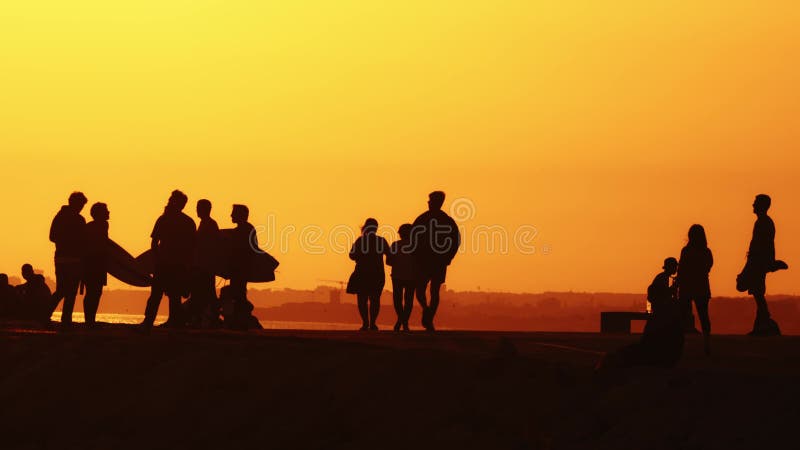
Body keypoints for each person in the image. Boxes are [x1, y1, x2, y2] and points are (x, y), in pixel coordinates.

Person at [597, 258, 684, 370]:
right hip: (660, 311)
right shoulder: (662, 279)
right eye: (674, 266)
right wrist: (673, 288)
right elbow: (664, 295)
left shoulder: (663, 278)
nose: (675, 268)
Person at [142, 190, 196, 329]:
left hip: (172, 265)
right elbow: (155, 243)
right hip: (169, 264)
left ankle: (156, 322)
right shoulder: (185, 221)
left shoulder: (167, 219)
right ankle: (154, 322)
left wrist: (157, 260)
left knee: (166, 296)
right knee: (169, 296)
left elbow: (155, 243)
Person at [738, 194, 788, 336]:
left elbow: (761, 246)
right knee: (757, 292)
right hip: (759, 262)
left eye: (755, 203)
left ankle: (764, 323)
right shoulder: (764, 222)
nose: (753, 205)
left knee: (757, 293)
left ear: (761, 205)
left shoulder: (763, 223)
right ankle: (761, 324)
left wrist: (759, 263)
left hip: (757, 262)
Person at [411, 191, 460, 331]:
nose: (428, 202)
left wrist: (448, 257)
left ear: (437, 202)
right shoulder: (425, 219)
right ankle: (427, 311)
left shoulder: (443, 221)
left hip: (435, 262)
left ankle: (429, 316)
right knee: (422, 290)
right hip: (426, 261)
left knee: (433, 290)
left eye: (430, 200)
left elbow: (455, 241)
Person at [48, 191, 88, 326]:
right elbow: (83, 241)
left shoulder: (59, 217)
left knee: (63, 290)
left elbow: (52, 236)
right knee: (68, 291)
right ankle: (63, 319)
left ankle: (52, 316)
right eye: (81, 204)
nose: (82, 207)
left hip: (62, 259)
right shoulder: (78, 220)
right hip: (72, 260)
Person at [677, 224, 713, 354]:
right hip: (702, 286)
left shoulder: (686, 251)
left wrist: (677, 284)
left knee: (683, 316)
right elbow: (708, 266)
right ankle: (707, 343)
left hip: (687, 287)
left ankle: (680, 343)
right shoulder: (706, 252)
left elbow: (681, 269)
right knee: (704, 315)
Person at [347, 218, 389, 331]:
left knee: (362, 300)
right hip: (377, 273)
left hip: (362, 273)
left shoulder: (360, 241)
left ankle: (365, 323)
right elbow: (389, 255)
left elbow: (351, 255)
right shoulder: (381, 240)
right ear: (376, 228)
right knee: (375, 299)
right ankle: (373, 323)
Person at [187, 199, 220, 327]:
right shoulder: (204, 223)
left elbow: (212, 246)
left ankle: (210, 319)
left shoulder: (210, 224)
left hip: (205, 267)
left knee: (207, 294)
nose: (196, 210)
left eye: (199, 208)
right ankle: (200, 319)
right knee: (200, 293)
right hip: (201, 266)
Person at [227, 204, 258, 330]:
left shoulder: (245, 230)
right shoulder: (246, 229)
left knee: (238, 294)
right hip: (239, 269)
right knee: (237, 294)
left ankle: (243, 320)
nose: (231, 215)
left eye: (233, 213)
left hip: (240, 270)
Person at [83, 202, 110, 327]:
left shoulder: (103, 225)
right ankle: (89, 320)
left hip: (99, 264)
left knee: (96, 292)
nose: (108, 212)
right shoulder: (97, 226)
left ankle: (90, 319)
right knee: (92, 292)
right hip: (92, 264)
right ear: (99, 213)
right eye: (106, 210)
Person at [386, 223, 416, 332]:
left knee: (397, 300)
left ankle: (401, 320)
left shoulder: (395, 245)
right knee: (409, 300)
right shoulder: (416, 246)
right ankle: (404, 322)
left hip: (397, 275)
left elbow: (388, 261)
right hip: (412, 276)